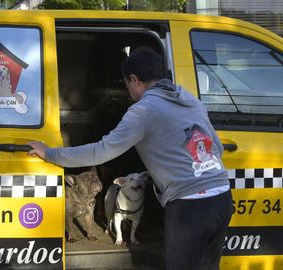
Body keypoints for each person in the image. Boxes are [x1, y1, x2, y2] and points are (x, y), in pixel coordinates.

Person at [27, 47, 233, 270]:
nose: (128, 91)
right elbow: (217, 148)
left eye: (126, 85)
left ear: (134, 80)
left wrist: (50, 153)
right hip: (221, 196)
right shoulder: (190, 100)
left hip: (190, 206)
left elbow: (101, 151)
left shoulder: (143, 111)